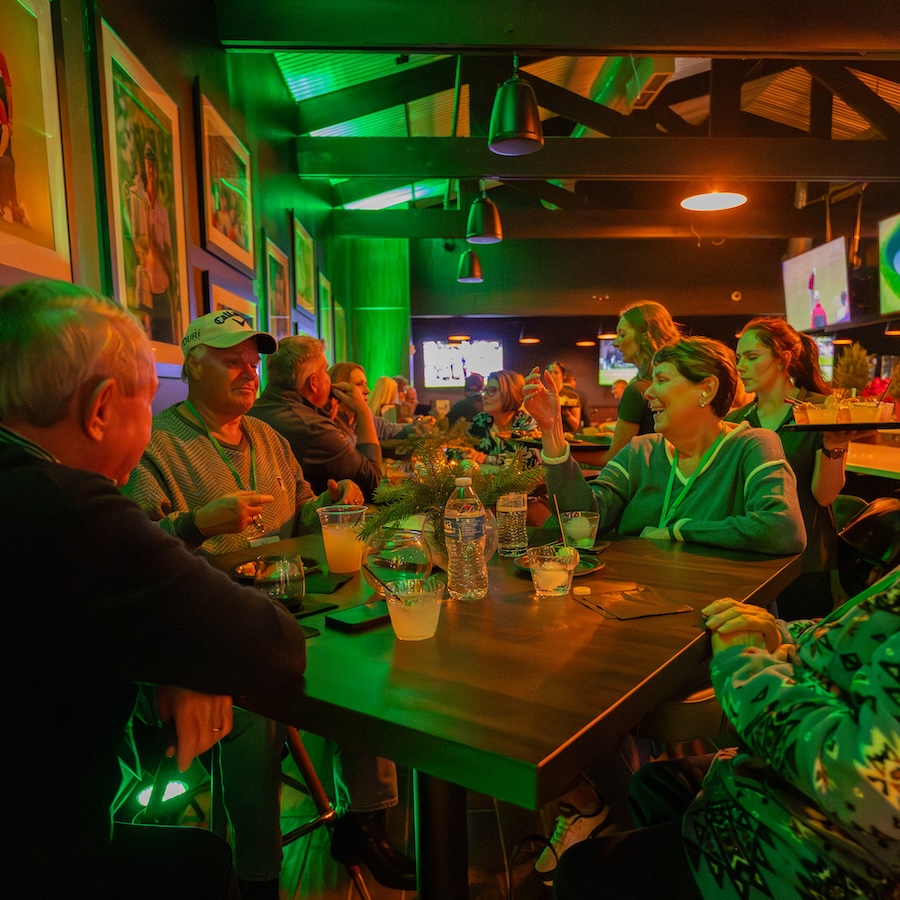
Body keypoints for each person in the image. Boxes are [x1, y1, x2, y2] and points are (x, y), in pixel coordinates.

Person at [1, 280, 307, 897]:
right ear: (101, 408)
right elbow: (270, 645)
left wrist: (173, 648)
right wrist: (189, 647)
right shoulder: (66, 509)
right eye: (146, 404)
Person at [123, 312, 413, 892]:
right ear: (192, 366)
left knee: (371, 657)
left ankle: (367, 818)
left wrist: (330, 499)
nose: (247, 371)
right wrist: (198, 521)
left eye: (252, 361)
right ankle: (257, 875)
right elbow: (137, 548)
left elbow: (302, 509)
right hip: (214, 620)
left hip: (293, 606)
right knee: (254, 708)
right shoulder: (158, 443)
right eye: (232, 360)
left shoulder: (268, 437)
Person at [553, 568, 900, 899]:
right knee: (654, 784)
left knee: (579, 872)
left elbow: (870, 786)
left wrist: (745, 665)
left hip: (831, 861)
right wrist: (784, 636)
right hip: (795, 788)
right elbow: (853, 637)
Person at [525, 336, 806, 554]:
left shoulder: (752, 445)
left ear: (706, 389)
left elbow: (783, 528)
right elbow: (583, 520)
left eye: (662, 380)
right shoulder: (641, 452)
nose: (647, 392)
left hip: (721, 611)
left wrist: (679, 531)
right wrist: (552, 433)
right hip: (638, 602)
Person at [728, 316, 860, 618]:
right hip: (750, 558)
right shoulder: (735, 422)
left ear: (783, 359)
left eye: (751, 357)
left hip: (807, 561)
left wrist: (834, 444)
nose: (740, 367)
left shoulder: (819, 411)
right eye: (738, 359)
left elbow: (824, 495)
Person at [251, 335, 383, 501]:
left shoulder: (255, 411)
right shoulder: (312, 428)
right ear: (314, 383)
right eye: (326, 372)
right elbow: (373, 482)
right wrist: (363, 411)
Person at [597, 301, 682, 466]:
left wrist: (562, 456)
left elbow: (616, 458)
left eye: (622, 334)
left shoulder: (637, 390)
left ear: (645, 336)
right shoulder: (679, 380)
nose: (615, 343)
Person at [131, 140, 176, 344]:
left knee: (165, 334)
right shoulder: (138, 205)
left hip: (162, 285)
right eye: (149, 167)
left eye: (154, 169)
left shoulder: (163, 212)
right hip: (147, 285)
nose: (152, 173)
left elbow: (167, 249)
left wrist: (158, 251)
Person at [467, 369, 539, 465]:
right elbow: (456, 449)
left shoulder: (526, 422)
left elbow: (533, 459)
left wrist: (487, 459)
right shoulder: (480, 421)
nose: (484, 396)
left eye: (492, 390)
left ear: (511, 392)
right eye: (485, 391)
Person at [547, 361, 583, 433]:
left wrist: (567, 415)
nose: (552, 375)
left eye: (556, 372)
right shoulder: (545, 395)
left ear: (563, 376)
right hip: (550, 436)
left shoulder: (572, 396)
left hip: (568, 438)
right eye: (550, 372)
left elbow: (576, 425)